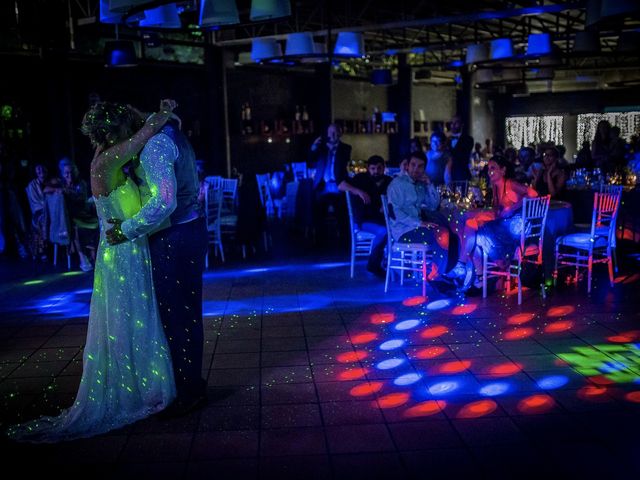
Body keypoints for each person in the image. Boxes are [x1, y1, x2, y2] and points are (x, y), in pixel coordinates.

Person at [7, 100, 177, 442]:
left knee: (128, 317)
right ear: (112, 132)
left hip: (119, 247)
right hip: (124, 250)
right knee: (132, 316)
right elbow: (145, 134)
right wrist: (164, 112)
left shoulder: (102, 155)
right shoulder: (111, 158)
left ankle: (140, 383)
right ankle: (141, 390)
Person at [106, 103, 208, 418]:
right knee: (189, 312)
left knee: (175, 316)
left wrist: (127, 229)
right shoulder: (172, 134)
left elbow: (165, 200)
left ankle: (186, 392)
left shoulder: (155, 145)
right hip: (190, 230)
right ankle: (191, 386)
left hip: (173, 238)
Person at [387, 151, 471, 288]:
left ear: (424, 169)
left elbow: (433, 205)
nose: (416, 169)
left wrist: (429, 184)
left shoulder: (420, 185)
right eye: (413, 165)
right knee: (442, 234)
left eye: (420, 166)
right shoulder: (397, 184)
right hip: (403, 231)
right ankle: (436, 277)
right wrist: (419, 223)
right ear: (407, 166)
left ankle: (447, 272)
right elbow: (395, 213)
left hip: (418, 227)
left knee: (453, 234)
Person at [464, 155, 538, 294]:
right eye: (488, 169)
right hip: (505, 228)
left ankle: (499, 265)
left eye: (493, 168)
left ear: (503, 170)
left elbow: (533, 193)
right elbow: (497, 214)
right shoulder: (495, 188)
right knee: (476, 232)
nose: (489, 171)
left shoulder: (509, 184)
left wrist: (513, 207)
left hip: (517, 227)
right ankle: (486, 275)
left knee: (480, 231)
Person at [310, 123, 367, 241]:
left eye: (335, 132)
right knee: (318, 213)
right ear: (327, 134)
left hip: (338, 185)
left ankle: (343, 241)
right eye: (330, 133)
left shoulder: (345, 148)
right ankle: (319, 241)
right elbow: (312, 158)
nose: (333, 135)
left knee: (342, 214)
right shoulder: (321, 148)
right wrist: (314, 147)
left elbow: (343, 160)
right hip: (323, 185)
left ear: (340, 134)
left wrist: (333, 150)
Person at [348, 155, 392, 276]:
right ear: (368, 168)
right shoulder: (361, 179)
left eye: (379, 168)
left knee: (393, 229)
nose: (376, 171)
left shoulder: (389, 181)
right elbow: (342, 186)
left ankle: (393, 265)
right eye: (373, 168)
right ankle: (373, 265)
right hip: (364, 220)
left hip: (384, 219)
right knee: (384, 232)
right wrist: (359, 191)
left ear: (384, 168)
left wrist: (388, 203)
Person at [25, 163, 52, 260]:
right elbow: (35, 201)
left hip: (51, 210)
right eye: (38, 170)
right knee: (42, 220)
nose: (41, 172)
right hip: (39, 212)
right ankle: (42, 250)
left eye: (43, 169)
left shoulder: (51, 182)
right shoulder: (32, 185)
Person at [448, 115, 474, 182]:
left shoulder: (468, 139)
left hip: (462, 175)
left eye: (456, 123)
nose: (453, 125)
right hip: (447, 175)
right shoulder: (446, 140)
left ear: (462, 124)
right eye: (452, 123)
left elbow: (462, 156)